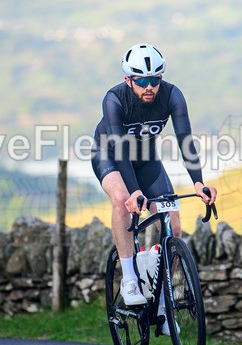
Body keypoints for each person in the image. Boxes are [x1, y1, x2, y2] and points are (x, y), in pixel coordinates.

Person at [91, 43, 218, 324]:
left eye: (155, 80)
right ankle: (130, 279)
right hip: (110, 156)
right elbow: (121, 150)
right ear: (128, 80)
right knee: (121, 199)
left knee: (172, 224)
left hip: (147, 160)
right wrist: (134, 192)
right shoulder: (114, 99)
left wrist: (199, 183)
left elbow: (185, 140)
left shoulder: (173, 95)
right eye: (142, 81)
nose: (149, 87)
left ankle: (162, 298)